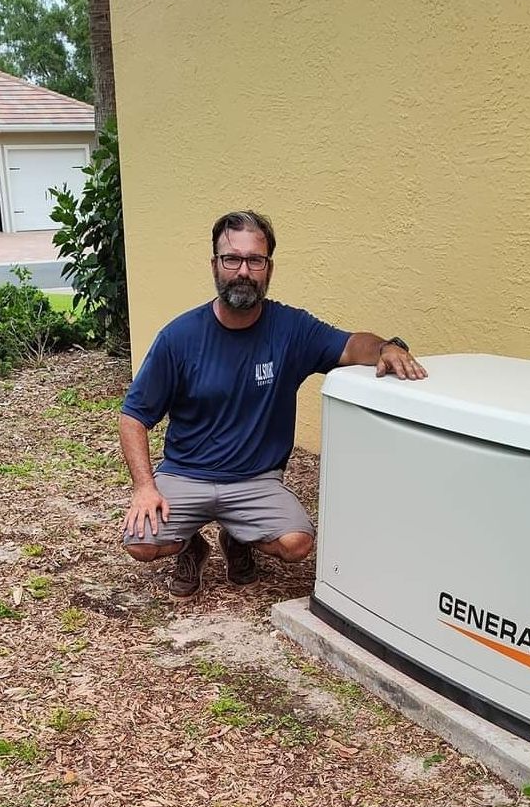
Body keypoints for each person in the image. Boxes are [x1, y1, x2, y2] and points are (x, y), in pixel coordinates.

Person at [119, 209, 427, 598]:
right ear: (215, 265)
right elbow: (133, 416)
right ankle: (191, 545)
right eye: (232, 259)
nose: (243, 271)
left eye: (255, 260)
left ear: (269, 268)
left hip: (255, 479)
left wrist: (386, 347)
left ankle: (238, 539)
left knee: (296, 544)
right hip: (186, 475)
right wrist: (145, 487)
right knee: (141, 545)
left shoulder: (291, 330)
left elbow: (351, 345)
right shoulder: (179, 337)